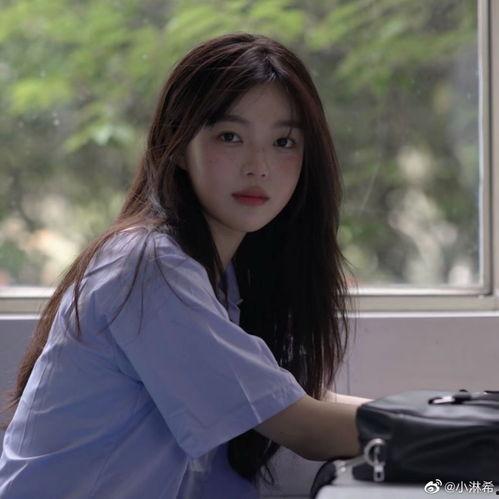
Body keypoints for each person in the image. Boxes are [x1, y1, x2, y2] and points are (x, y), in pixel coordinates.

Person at [0, 32, 371, 498]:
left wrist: (438, 411)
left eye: (284, 141)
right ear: (176, 145)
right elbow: (304, 426)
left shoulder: (219, 277)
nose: (258, 166)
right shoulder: (147, 266)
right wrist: (443, 428)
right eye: (230, 136)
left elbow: (290, 398)